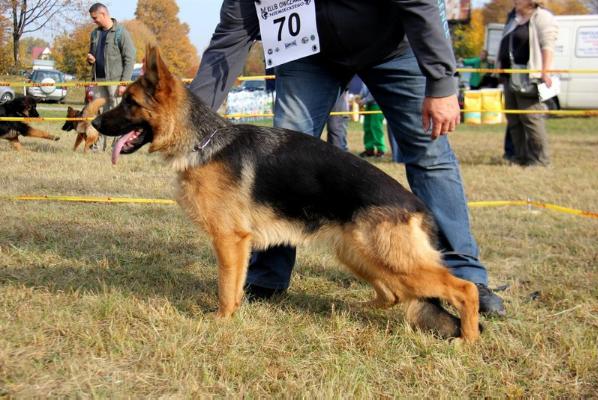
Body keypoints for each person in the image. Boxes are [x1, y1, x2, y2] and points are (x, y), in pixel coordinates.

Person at [189, 0, 505, 316]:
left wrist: (440, 81)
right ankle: (266, 278)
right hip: (307, 51)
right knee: (280, 156)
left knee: (429, 153)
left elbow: (421, 4)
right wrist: (189, 118)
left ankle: (466, 278)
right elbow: (230, 39)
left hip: (394, 46)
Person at [497, 0, 558, 166]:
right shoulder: (513, 18)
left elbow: (548, 45)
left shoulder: (542, 17)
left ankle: (539, 159)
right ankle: (520, 157)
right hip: (510, 76)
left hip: (530, 76)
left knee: (531, 118)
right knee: (514, 119)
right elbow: (504, 43)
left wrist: (545, 72)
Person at [87, 3, 136, 150]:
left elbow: (130, 58)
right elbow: (92, 54)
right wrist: (90, 59)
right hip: (98, 81)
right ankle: (97, 146)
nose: (93, 21)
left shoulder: (121, 32)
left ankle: (118, 146)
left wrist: (124, 83)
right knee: (98, 114)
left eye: (95, 17)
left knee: (116, 114)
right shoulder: (94, 34)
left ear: (103, 14)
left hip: (115, 81)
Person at [358, 83, 386, 158]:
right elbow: (364, 88)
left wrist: (364, 100)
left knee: (376, 127)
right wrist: (360, 96)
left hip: (377, 104)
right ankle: (369, 150)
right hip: (368, 104)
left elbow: (376, 90)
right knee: (367, 127)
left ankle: (381, 150)